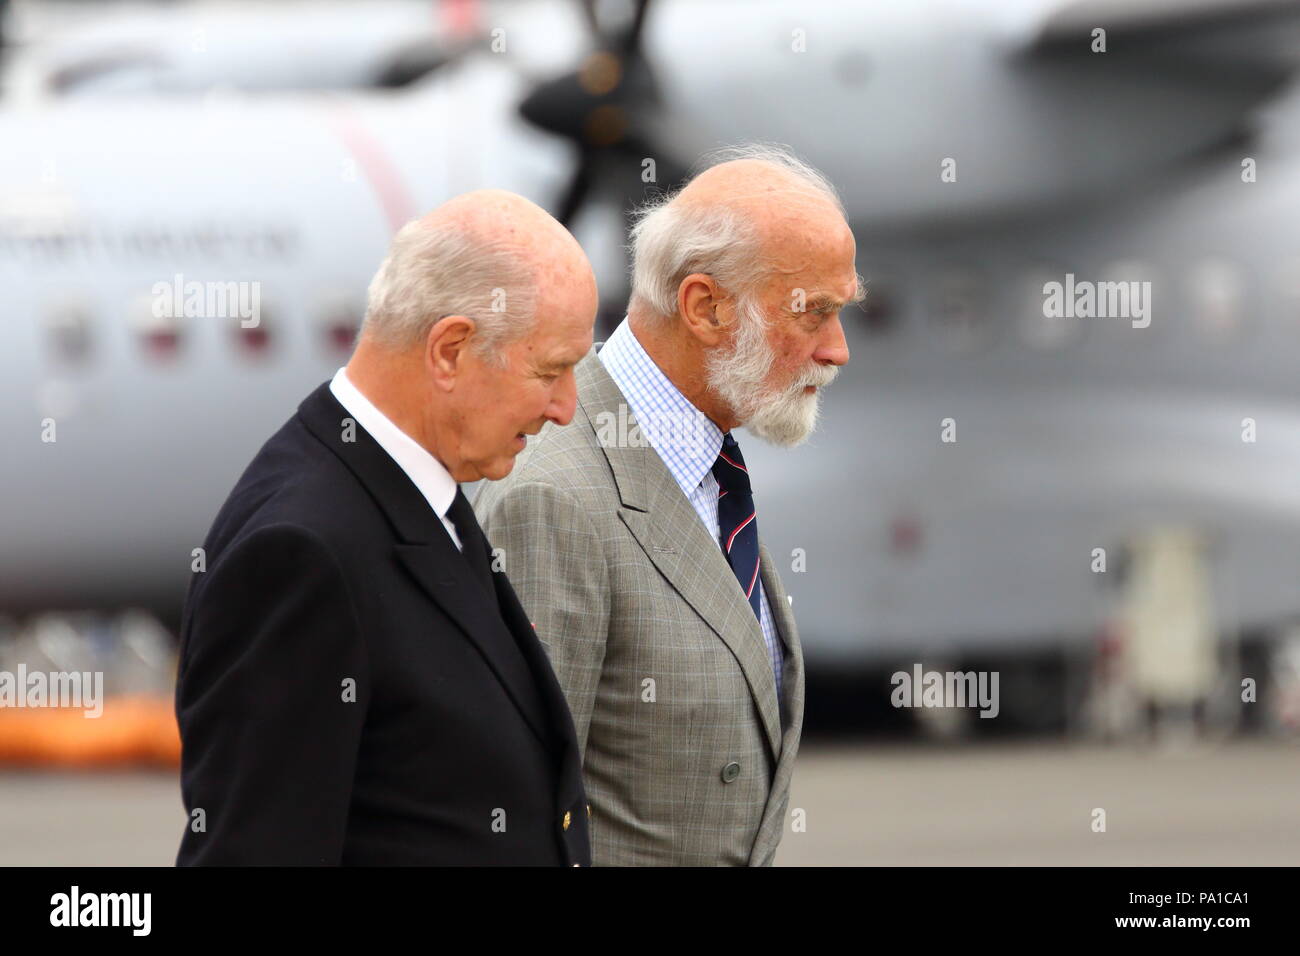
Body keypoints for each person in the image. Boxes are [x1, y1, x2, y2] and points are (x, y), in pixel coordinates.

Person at [175, 189, 597, 865]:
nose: (566, 408)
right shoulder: (302, 553)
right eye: (551, 370)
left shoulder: (415, 489)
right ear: (451, 351)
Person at [475, 146, 859, 865]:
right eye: (815, 315)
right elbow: (508, 823)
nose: (836, 350)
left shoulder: (699, 461)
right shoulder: (552, 498)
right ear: (705, 307)